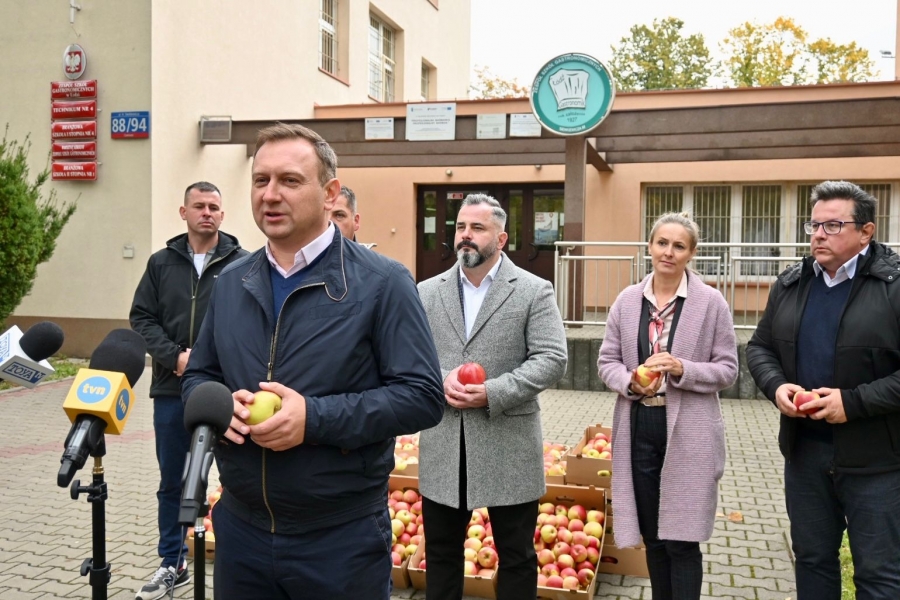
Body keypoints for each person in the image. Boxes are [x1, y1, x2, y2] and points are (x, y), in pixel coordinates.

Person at [181, 123, 444, 600]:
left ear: (329, 194)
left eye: (289, 180)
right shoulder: (232, 281)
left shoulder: (383, 282)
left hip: (339, 539)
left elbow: (422, 397)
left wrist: (314, 419)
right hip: (241, 529)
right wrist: (220, 409)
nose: (270, 194)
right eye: (261, 180)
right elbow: (199, 374)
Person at [747, 181, 900, 600]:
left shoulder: (894, 286)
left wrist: (851, 402)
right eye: (813, 225)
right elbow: (760, 347)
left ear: (866, 232)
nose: (818, 235)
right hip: (806, 454)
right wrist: (777, 386)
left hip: (877, 461)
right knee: (813, 561)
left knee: (880, 576)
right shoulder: (791, 283)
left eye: (833, 225)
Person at [417, 193, 568, 600]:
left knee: (516, 556)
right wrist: (443, 378)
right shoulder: (426, 291)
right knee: (441, 555)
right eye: (461, 227)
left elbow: (552, 358)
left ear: (501, 239)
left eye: (477, 228)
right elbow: (412, 356)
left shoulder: (534, 290)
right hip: (444, 446)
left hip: (508, 445)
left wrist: (493, 392)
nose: (465, 235)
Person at [598, 212, 738, 600]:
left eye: (679, 246)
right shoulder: (628, 301)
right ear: (650, 246)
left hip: (690, 432)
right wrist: (630, 381)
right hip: (639, 426)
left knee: (682, 540)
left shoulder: (711, 303)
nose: (668, 252)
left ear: (691, 253)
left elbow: (728, 369)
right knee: (655, 538)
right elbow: (607, 362)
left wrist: (682, 368)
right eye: (662, 243)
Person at [129, 181, 247, 600]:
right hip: (171, 389)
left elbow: (251, 323)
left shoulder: (242, 264)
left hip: (224, 393)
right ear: (184, 212)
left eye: (214, 206)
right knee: (174, 481)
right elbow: (142, 319)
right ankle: (172, 561)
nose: (207, 213)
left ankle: (239, 561)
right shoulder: (160, 264)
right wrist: (176, 358)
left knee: (236, 478)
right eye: (199, 206)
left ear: (223, 214)